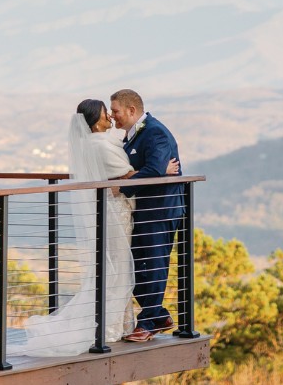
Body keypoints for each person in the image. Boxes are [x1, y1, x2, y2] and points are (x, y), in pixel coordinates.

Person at [20, 99, 179, 357]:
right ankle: (117, 324)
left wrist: (153, 170)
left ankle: (142, 318)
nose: (111, 117)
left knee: (120, 266)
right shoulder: (102, 144)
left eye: (113, 111)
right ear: (96, 121)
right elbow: (128, 176)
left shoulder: (96, 143)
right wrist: (160, 169)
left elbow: (126, 175)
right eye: (108, 113)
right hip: (116, 210)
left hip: (116, 208)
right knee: (120, 266)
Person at [110, 88, 185, 342]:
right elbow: (151, 169)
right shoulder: (131, 137)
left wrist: (123, 185)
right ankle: (160, 314)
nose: (112, 116)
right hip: (144, 210)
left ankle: (148, 324)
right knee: (133, 265)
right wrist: (153, 170)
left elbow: (153, 168)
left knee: (154, 265)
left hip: (160, 210)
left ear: (131, 111)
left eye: (116, 111)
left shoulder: (155, 132)